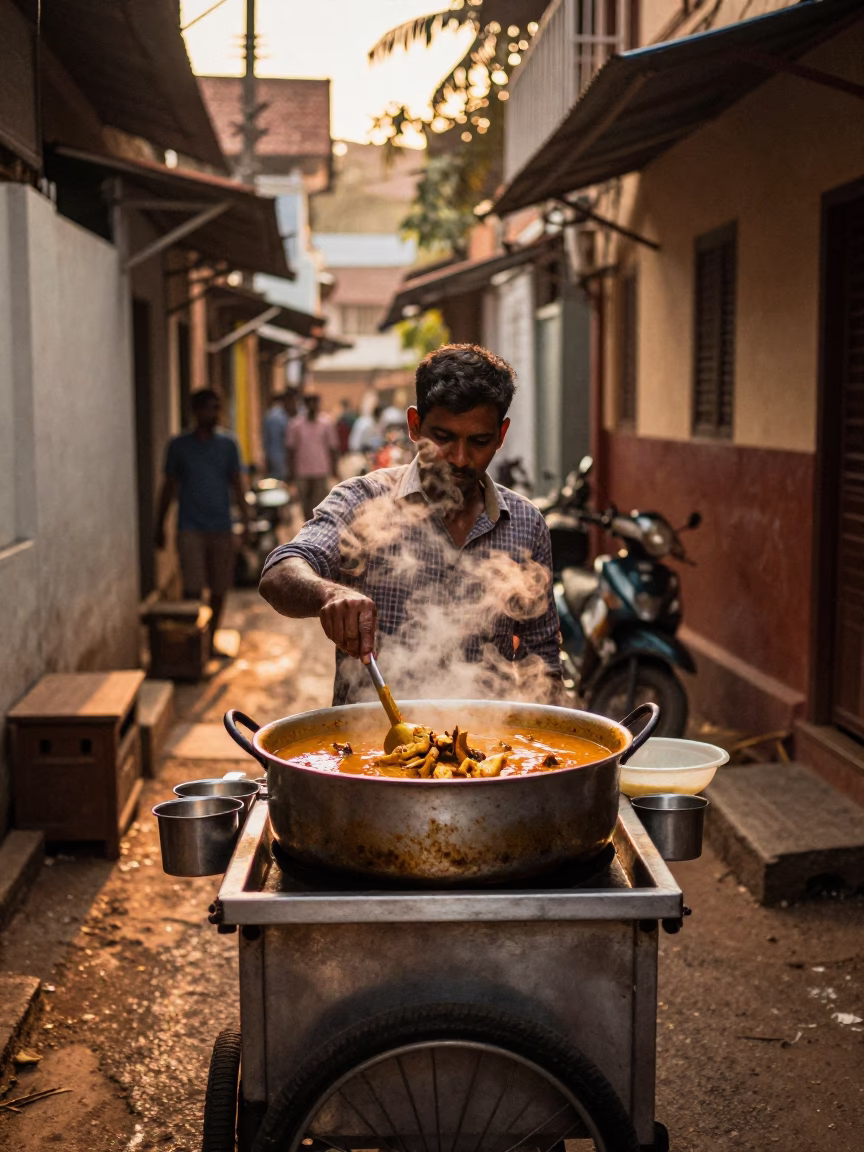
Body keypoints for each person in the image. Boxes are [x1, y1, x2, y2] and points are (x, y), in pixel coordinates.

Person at [260, 344, 562, 705]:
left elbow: (543, 661)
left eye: (479, 441)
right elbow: (279, 573)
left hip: (482, 738)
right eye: (443, 438)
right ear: (415, 425)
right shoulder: (363, 500)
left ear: (501, 434)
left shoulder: (526, 524)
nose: (460, 458)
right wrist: (329, 594)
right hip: (369, 736)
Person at [154, 388, 249, 645]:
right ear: (196, 411)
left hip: (221, 526)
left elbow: (237, 484)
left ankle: (211, 639)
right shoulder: (179, 446)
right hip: (190, 527)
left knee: (219, 588)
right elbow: (168, 487)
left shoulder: (228, 445)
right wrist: (159, 524)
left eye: (217, 407)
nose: (214, 413)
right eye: (209, 407)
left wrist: (246, 520)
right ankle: (194, 643)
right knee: (193, 589)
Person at [286, 391, 340, 522]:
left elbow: (332, 448)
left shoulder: (326, 423)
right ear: (305, 404)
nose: (311, 406)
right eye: (309, 403)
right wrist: (291, 473)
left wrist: (334, 470)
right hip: (302, 472)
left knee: (320, 506)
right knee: (305, 506)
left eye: (314, 403)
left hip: (321, 470)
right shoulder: (295, 424)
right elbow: (291, 450)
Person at [262, 388, 299, 479]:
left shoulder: (299, 417)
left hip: (298, 467)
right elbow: (271, 443)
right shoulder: (274, 418)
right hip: (278, 466)